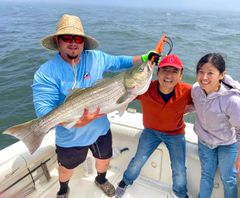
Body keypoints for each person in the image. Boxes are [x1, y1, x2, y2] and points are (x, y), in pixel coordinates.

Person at [32, 14, 157, 198]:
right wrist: (76, 123)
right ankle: (63, 188)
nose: (73, 43)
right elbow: (43, 110)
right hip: (70, 136)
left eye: (78, 39)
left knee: (104, 159)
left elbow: (119, 62)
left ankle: (101, 179)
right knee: (67, 167)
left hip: (100, 130)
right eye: (67, 38)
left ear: (83, 42)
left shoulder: (96, 57)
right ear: (58, 41)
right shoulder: (45, 73)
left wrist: (145, 58)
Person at [115, 54, 193, 198]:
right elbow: (124, 91)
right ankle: (125, 182)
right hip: (150, 132)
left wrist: (190, 108)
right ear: (157, 73)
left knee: (179, 169)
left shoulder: (188, 91)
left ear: (181, 75)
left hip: (175, 134)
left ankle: (180, 193)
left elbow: (207, 101)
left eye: (174, 71)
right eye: (165, 70)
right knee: (137, 161)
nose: (169, 75)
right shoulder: (145, 88)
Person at [191, 53, 240, 198]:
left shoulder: (232, 101)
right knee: (206, 175)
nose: (204, 77)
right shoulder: (195, 89)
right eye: (201, 72)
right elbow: (197, 106)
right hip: (205, 142)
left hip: (227, 144)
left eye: (210, 73)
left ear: (222, 75)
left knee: (228, 179)